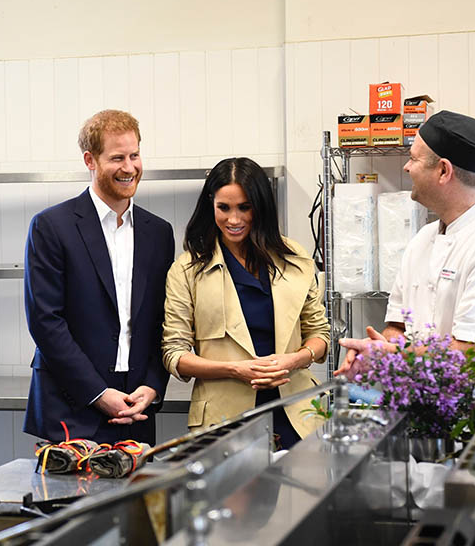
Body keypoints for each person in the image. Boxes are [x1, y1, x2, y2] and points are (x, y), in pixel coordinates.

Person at [335, 110, 475, 461]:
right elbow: (399, 327)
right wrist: (375, 354)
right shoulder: (423, 239)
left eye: (414, 159)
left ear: (443, 171)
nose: (406, 167)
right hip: (429, 431)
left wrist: (394, 357)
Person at [23, 109, 175, 446]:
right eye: (117, 157)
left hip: (137, 407)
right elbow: (46, 321)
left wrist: (152, 385)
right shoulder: (51, 227)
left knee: (134, 501)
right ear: (90, 160)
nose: (129, 167)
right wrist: (97, 392)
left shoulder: (158, 233)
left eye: (135, 155)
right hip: (72, 407)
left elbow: (162, 320)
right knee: (67, 501)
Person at [162, 157, 330, 449]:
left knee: (303, 493)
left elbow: (320, 335)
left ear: (260, 207)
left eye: (244, 207)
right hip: (223, 419)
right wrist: (235, 369)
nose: (234, 220)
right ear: (210, 205)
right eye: (223, 208)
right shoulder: (187, 269)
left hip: (296, 413)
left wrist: (294, 360)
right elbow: (174, 354)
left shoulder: (294, 257)